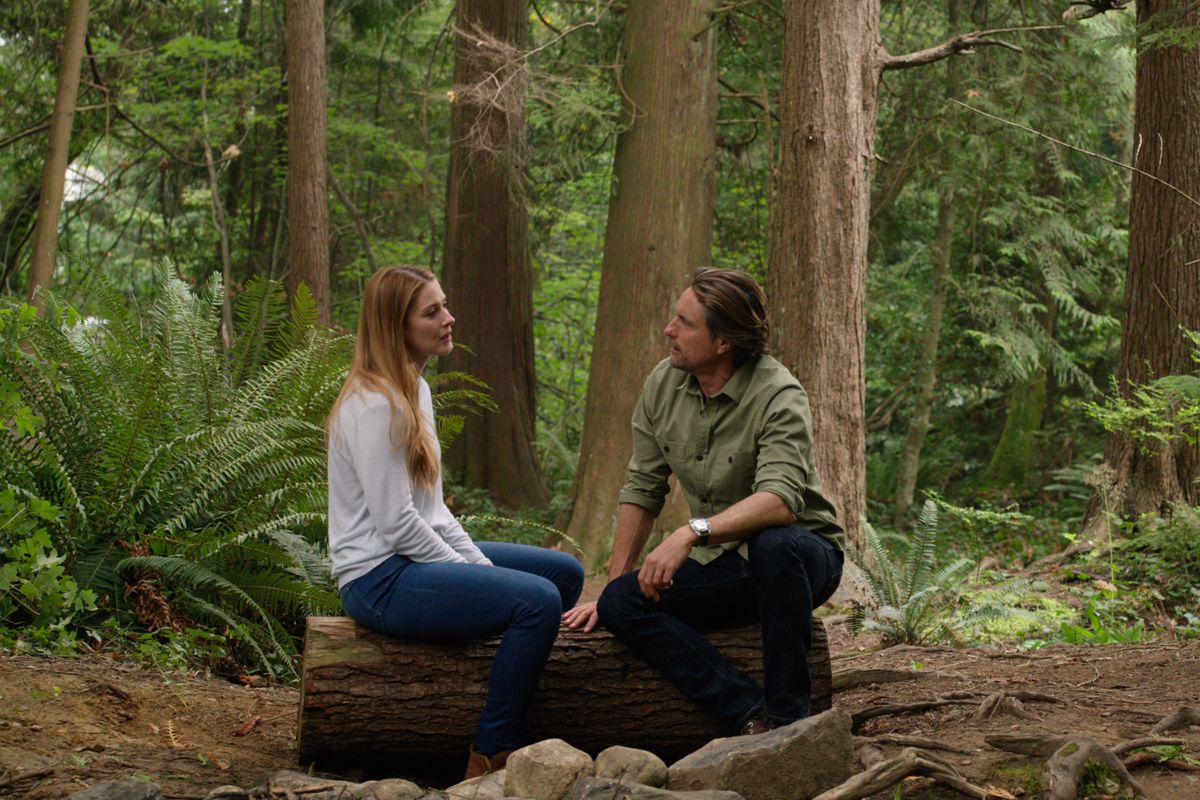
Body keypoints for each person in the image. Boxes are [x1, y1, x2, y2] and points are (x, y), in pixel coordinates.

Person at [327, 266, 584, 779]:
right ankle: (491, 753)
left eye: (443, 305)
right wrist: (482, 578)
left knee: (565, 574)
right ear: (396, 327)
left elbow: (433, 510)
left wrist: (478, 566)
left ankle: (496, 661)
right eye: (432, 311)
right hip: (377, 579)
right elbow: (397, 525)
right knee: (537, 602)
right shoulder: (374, 404)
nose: (449, 318)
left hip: (409, 561)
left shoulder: (413, 389)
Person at [563, 267, 844, 735]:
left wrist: (692, 532)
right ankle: (749, 712)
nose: (669, 330)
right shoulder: (663, 383)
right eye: (674, 317)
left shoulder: (779, 394)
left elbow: (779, 501)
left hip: (802, 558)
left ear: (724, 343)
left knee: (776, 544)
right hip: (726, 565)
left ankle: (792, 718)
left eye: (685, 323)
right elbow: (643, 486)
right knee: (621, 603)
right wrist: (614, 586)